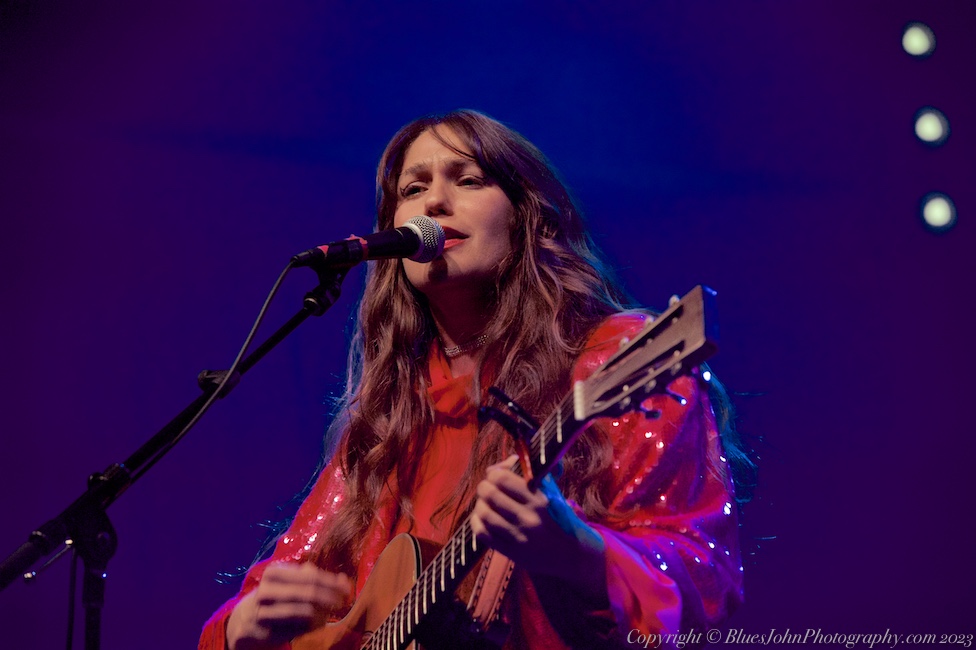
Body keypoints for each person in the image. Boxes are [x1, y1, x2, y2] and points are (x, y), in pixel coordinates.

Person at [199, 110, 750, 650]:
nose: (434, 202)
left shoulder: (613, 358)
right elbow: (277, 585)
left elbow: (706, 582)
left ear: (530, 220)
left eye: (468, 180)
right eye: (413, 189)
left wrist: (574, 549)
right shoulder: (390, 415)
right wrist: (243, 627)